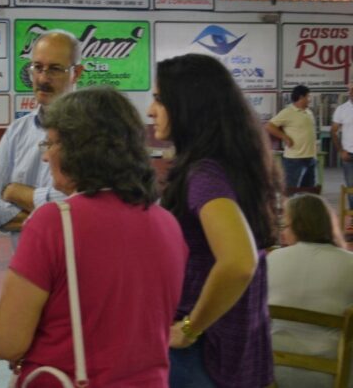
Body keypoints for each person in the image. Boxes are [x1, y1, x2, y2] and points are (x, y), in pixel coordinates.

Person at [0, 87, 188, 387]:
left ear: (79, 149)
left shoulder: (53, 223)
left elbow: (6, 342)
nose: (45, 156)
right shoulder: (168, 224)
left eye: (52, 143)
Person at [150, 53, 279, 388]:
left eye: (159, 100)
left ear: (188, 106)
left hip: (203, 353)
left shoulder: (203, 175)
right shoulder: (233, 164)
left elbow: (239, 261)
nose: (151, 111)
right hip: (237, 345)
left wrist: (190, 327)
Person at [0, 30, 84, 249]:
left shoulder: (95, 131)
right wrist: (46, 220)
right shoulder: (17, 132)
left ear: (77, 73)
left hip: (78, 270)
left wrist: (16, 193)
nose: (43, 78)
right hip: (25, 270)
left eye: (55, 69)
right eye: (37, 67)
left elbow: (83, 207)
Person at [268, 193, 353, 388]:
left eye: (285, 226)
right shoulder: (350, 263)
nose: (282, 233)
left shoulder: (271, 260)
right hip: (336, 373)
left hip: (273, 371)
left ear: (297, 226)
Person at [265, 85, 317, 189]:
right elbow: (269, 126)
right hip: (294, 159)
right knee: (291, 189)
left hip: (310, 157)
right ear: (301, 97)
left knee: (309, 189)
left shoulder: (309, 112)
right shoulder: (288, 112)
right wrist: (285, 137)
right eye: (308, 97)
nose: (309, 100)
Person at [332, 82, 353, 218]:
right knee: (351, 191)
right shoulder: (342, 109)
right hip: (349, 156)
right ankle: (352, 228)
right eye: (351, 90)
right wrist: (341, 151)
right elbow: (333, 132)